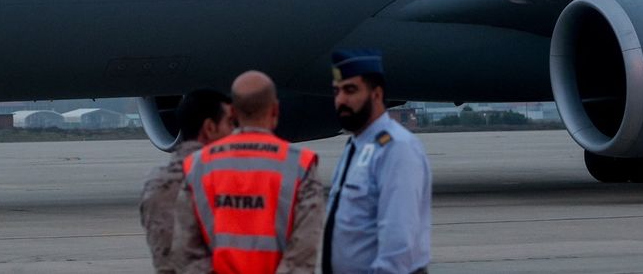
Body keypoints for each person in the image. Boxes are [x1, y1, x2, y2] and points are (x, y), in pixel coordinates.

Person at [173, 71, 323, 274]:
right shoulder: (299, 164)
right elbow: (303, 253)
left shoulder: (198, 164)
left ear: (233, 113)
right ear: (275, 110)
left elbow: (185, 251)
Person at [323, 49, 431, 274]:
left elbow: (399, 242)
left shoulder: (396, 148)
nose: (341, 100)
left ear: (376, 94)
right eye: (337, 91)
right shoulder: (358, 146)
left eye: (350, 90)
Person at [141, 89, 236, 273]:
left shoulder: (154, 182)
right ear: (210, 127)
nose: (234, 132)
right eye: (230, 123)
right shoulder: (223, 181)